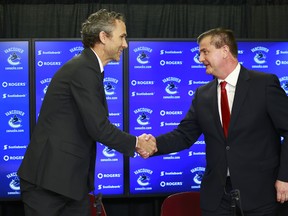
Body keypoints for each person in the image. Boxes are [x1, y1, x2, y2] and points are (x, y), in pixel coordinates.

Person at [17, 9, 157, 216]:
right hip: (48, 184)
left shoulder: (88, 68)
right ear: (103, 37)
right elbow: (98, 127)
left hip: (69, 183)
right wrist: (137, 143)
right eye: (122, 37)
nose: (125, 45)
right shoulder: (83, 69)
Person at [142, 28, 288, 215]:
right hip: (218, 198)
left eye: (205, 52)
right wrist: (153, 145)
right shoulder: (203, 94)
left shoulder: (264, 84)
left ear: (225, 51)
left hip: (261, 195)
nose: (200, 58)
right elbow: (184, 135)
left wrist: (285, 177)